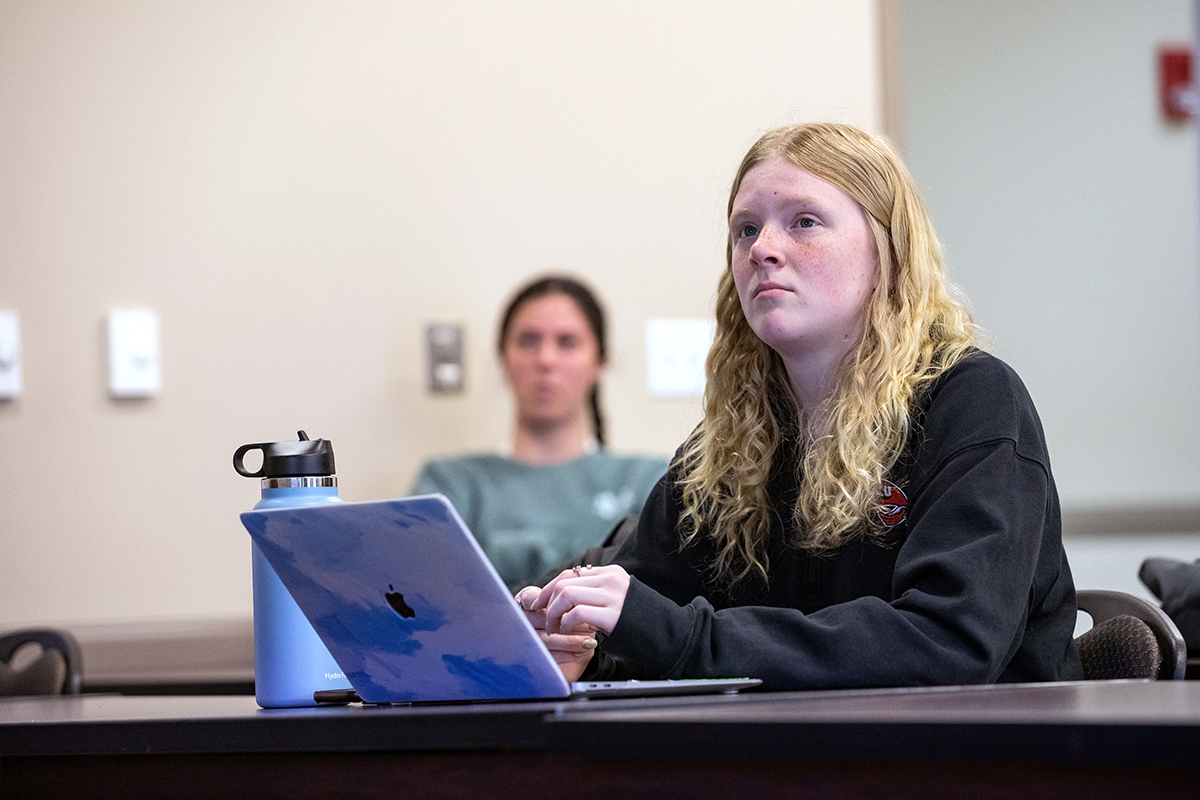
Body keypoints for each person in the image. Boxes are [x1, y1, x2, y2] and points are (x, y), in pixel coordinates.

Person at [517, 122, 1083, 691]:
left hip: (972, 763)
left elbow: (949, 641)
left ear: (887, 249)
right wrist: (574, 638)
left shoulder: (972, 402)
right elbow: (647, 611)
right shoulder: (736, 441)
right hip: (793, 763)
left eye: (804, 222)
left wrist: (676, 634)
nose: (762, 248)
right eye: (745, 230)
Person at [411, 275, 668, 590]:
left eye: (567, 343)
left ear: (599, 362)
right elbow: (425, 595)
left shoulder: (649, 481)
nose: (546, 360)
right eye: (529, 341)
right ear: (504, 359)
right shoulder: (449, 485)